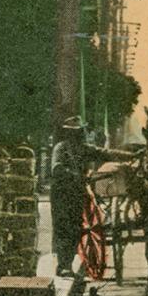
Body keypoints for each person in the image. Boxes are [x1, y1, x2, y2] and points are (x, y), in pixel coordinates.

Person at [49, 117, 88, 277]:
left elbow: (104, 153)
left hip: (76, 195)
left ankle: (68, 265)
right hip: (62, 196)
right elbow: (56, 168)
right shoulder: (61, 148)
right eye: (78, 132)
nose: (80, 134)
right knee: (64, 229)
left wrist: (130, 155)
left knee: (76, 229)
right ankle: (63, 266)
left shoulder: (82, 148)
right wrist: (73, 175)